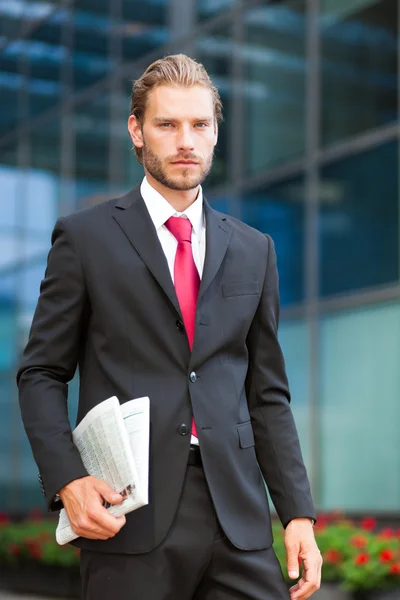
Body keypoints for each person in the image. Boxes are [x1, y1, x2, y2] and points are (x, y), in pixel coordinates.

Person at [17, 54, 322, 600]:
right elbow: (40, 371)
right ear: (137, 131)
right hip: (130, 515)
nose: (186, 140)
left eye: (199, 125)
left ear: (214, 133)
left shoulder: (255, 249)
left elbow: (267, 394)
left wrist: (298, 513)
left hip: (239, 517)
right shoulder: (86, 239)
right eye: (167, 124)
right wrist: (67, 481)